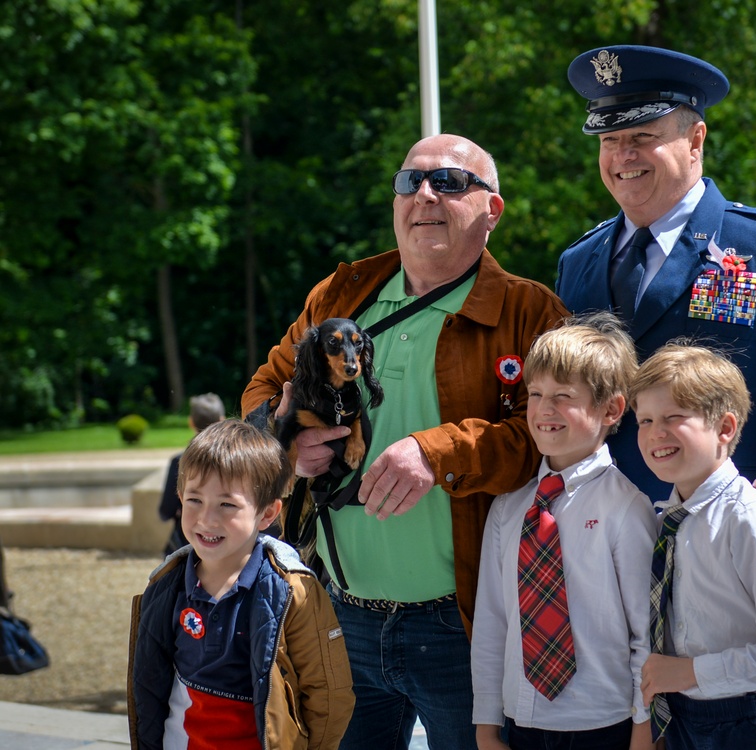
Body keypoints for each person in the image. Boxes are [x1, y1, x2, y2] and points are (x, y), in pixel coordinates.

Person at [242, 134, 568, 749]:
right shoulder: (339, 296)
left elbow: (550, 437)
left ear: (491, 210)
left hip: (463, 626)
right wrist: (282, 442)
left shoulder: (531, 312)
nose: (423, 195)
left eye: (448, 182)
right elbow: (266, 385)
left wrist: (437, 451)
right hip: (338, 616)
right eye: (409, 182)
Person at [557, 45, 756, 560]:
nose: (622, 156)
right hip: (600, 549)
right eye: (609, 140)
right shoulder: (580, 260)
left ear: (695, 140)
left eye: (642, 137)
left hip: (729, 539)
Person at [472, 312, 657, 750]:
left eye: (563, 396)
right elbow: (493, 622)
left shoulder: (627, 508)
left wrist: (643, 728)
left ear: (611, 409)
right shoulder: (508, 508)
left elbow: (646, 633)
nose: (544, 410)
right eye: (535, 394)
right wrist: (485, 723)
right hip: (521, 722)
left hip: (603, 723)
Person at [631, 343, 756, 749]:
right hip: (686, 717)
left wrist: (690, 673)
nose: (654, 433)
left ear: (725, 428)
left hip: (755, 723)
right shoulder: (667, 519)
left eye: (673, 417)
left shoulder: (748, 517)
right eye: (644, 419)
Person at [128, 419, 355, 749]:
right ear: (179, 499)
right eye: (195, 500)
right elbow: (150, 687)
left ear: (267, 514)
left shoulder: (293, 593)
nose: (207, 519)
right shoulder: (165, 588)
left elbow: (328, 696)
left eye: (227, 504)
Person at [158, 392, 226, 556]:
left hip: (186, 546)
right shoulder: (235, 463)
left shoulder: (179, 461)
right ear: (222, 420)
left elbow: (165, 512)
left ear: (191, 422)